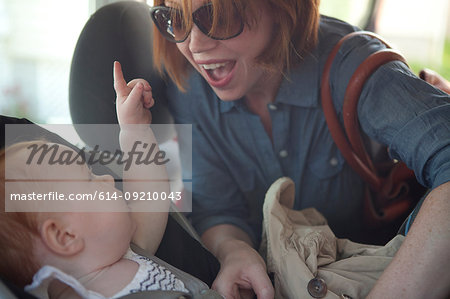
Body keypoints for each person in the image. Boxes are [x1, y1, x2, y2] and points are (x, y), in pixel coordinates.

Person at [136, 0, 450, 298]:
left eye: (219, 16)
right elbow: (217, 208)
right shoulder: (191, 89)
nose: (194, 46)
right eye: (175, 20)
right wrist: (235, 251)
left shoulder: (353, 66)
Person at [0, 62, 199, 298]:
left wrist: (135, 130)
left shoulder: (133, 249)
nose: (107, 178)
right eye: (90, 180)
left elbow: (147, 195)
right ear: (65, 236)